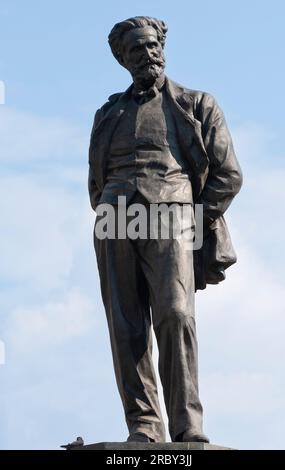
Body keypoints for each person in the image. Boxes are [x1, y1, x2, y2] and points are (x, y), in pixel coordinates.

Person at [88, 16, 242, 443]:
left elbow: (228, 175)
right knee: (125, 326)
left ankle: (188, 426)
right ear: (123, 58)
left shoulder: (196, 104)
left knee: (175, 316)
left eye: (152, 45)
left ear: (163, 47)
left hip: (174, 216)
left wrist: (195, 218)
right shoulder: (106, 113)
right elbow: (95, 181)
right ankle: (143, 426)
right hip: (114, 220)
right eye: (136, 49)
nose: (147, 54)